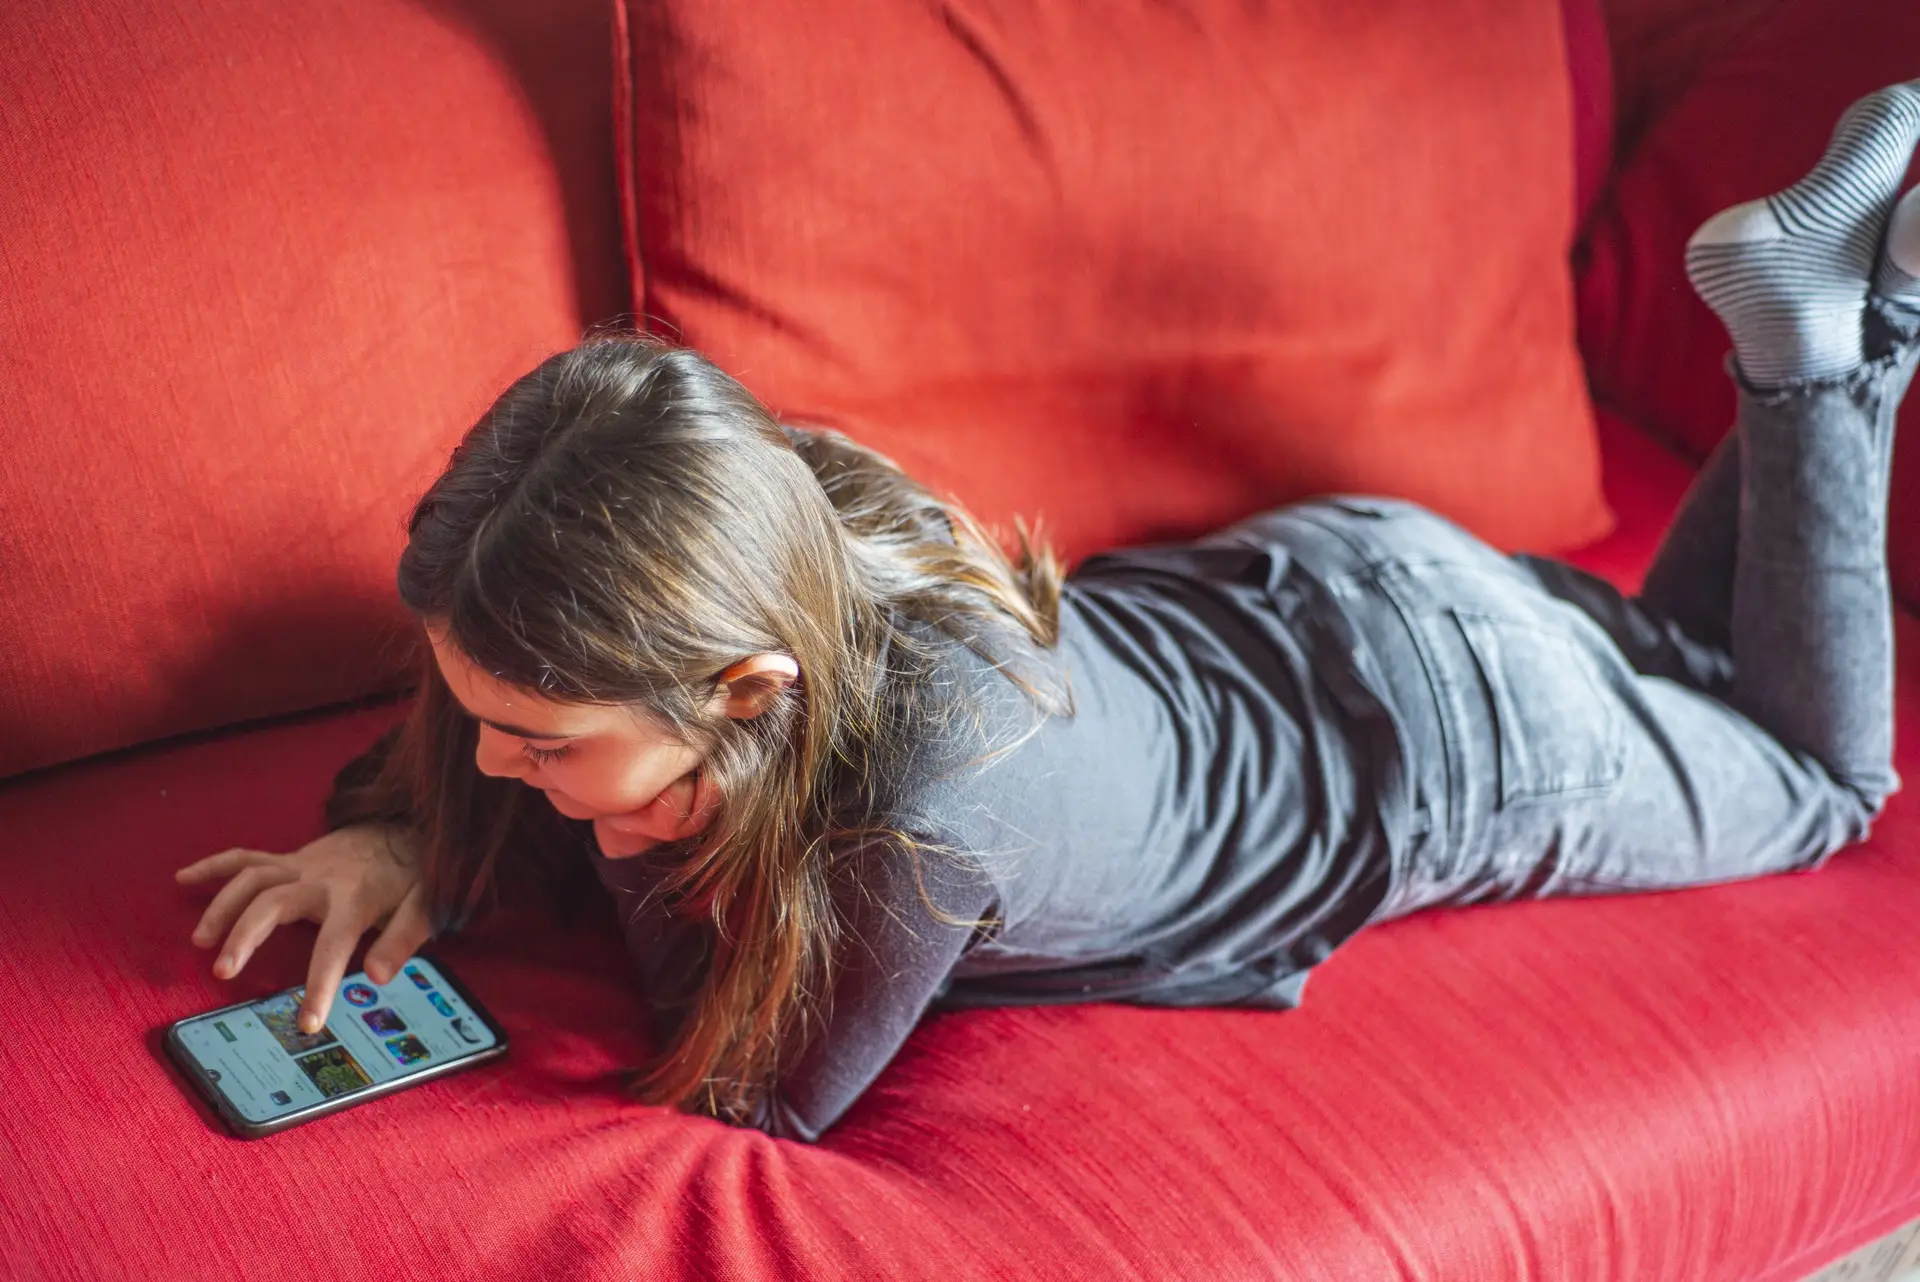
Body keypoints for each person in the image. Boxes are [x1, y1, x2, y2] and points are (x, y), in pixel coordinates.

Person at [177, 83, 1920, 1142]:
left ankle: (1835, 345)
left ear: (749, 683)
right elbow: (554, 698)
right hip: (1347, 578)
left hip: (1462, 737)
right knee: (1708, 676)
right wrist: (408, 822)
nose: (494, 756)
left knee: (1826, 781)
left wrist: (608, 844)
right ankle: (1834, 323)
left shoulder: (923, 813)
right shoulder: (780, 512)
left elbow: (749, 1085)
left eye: (540, 739)